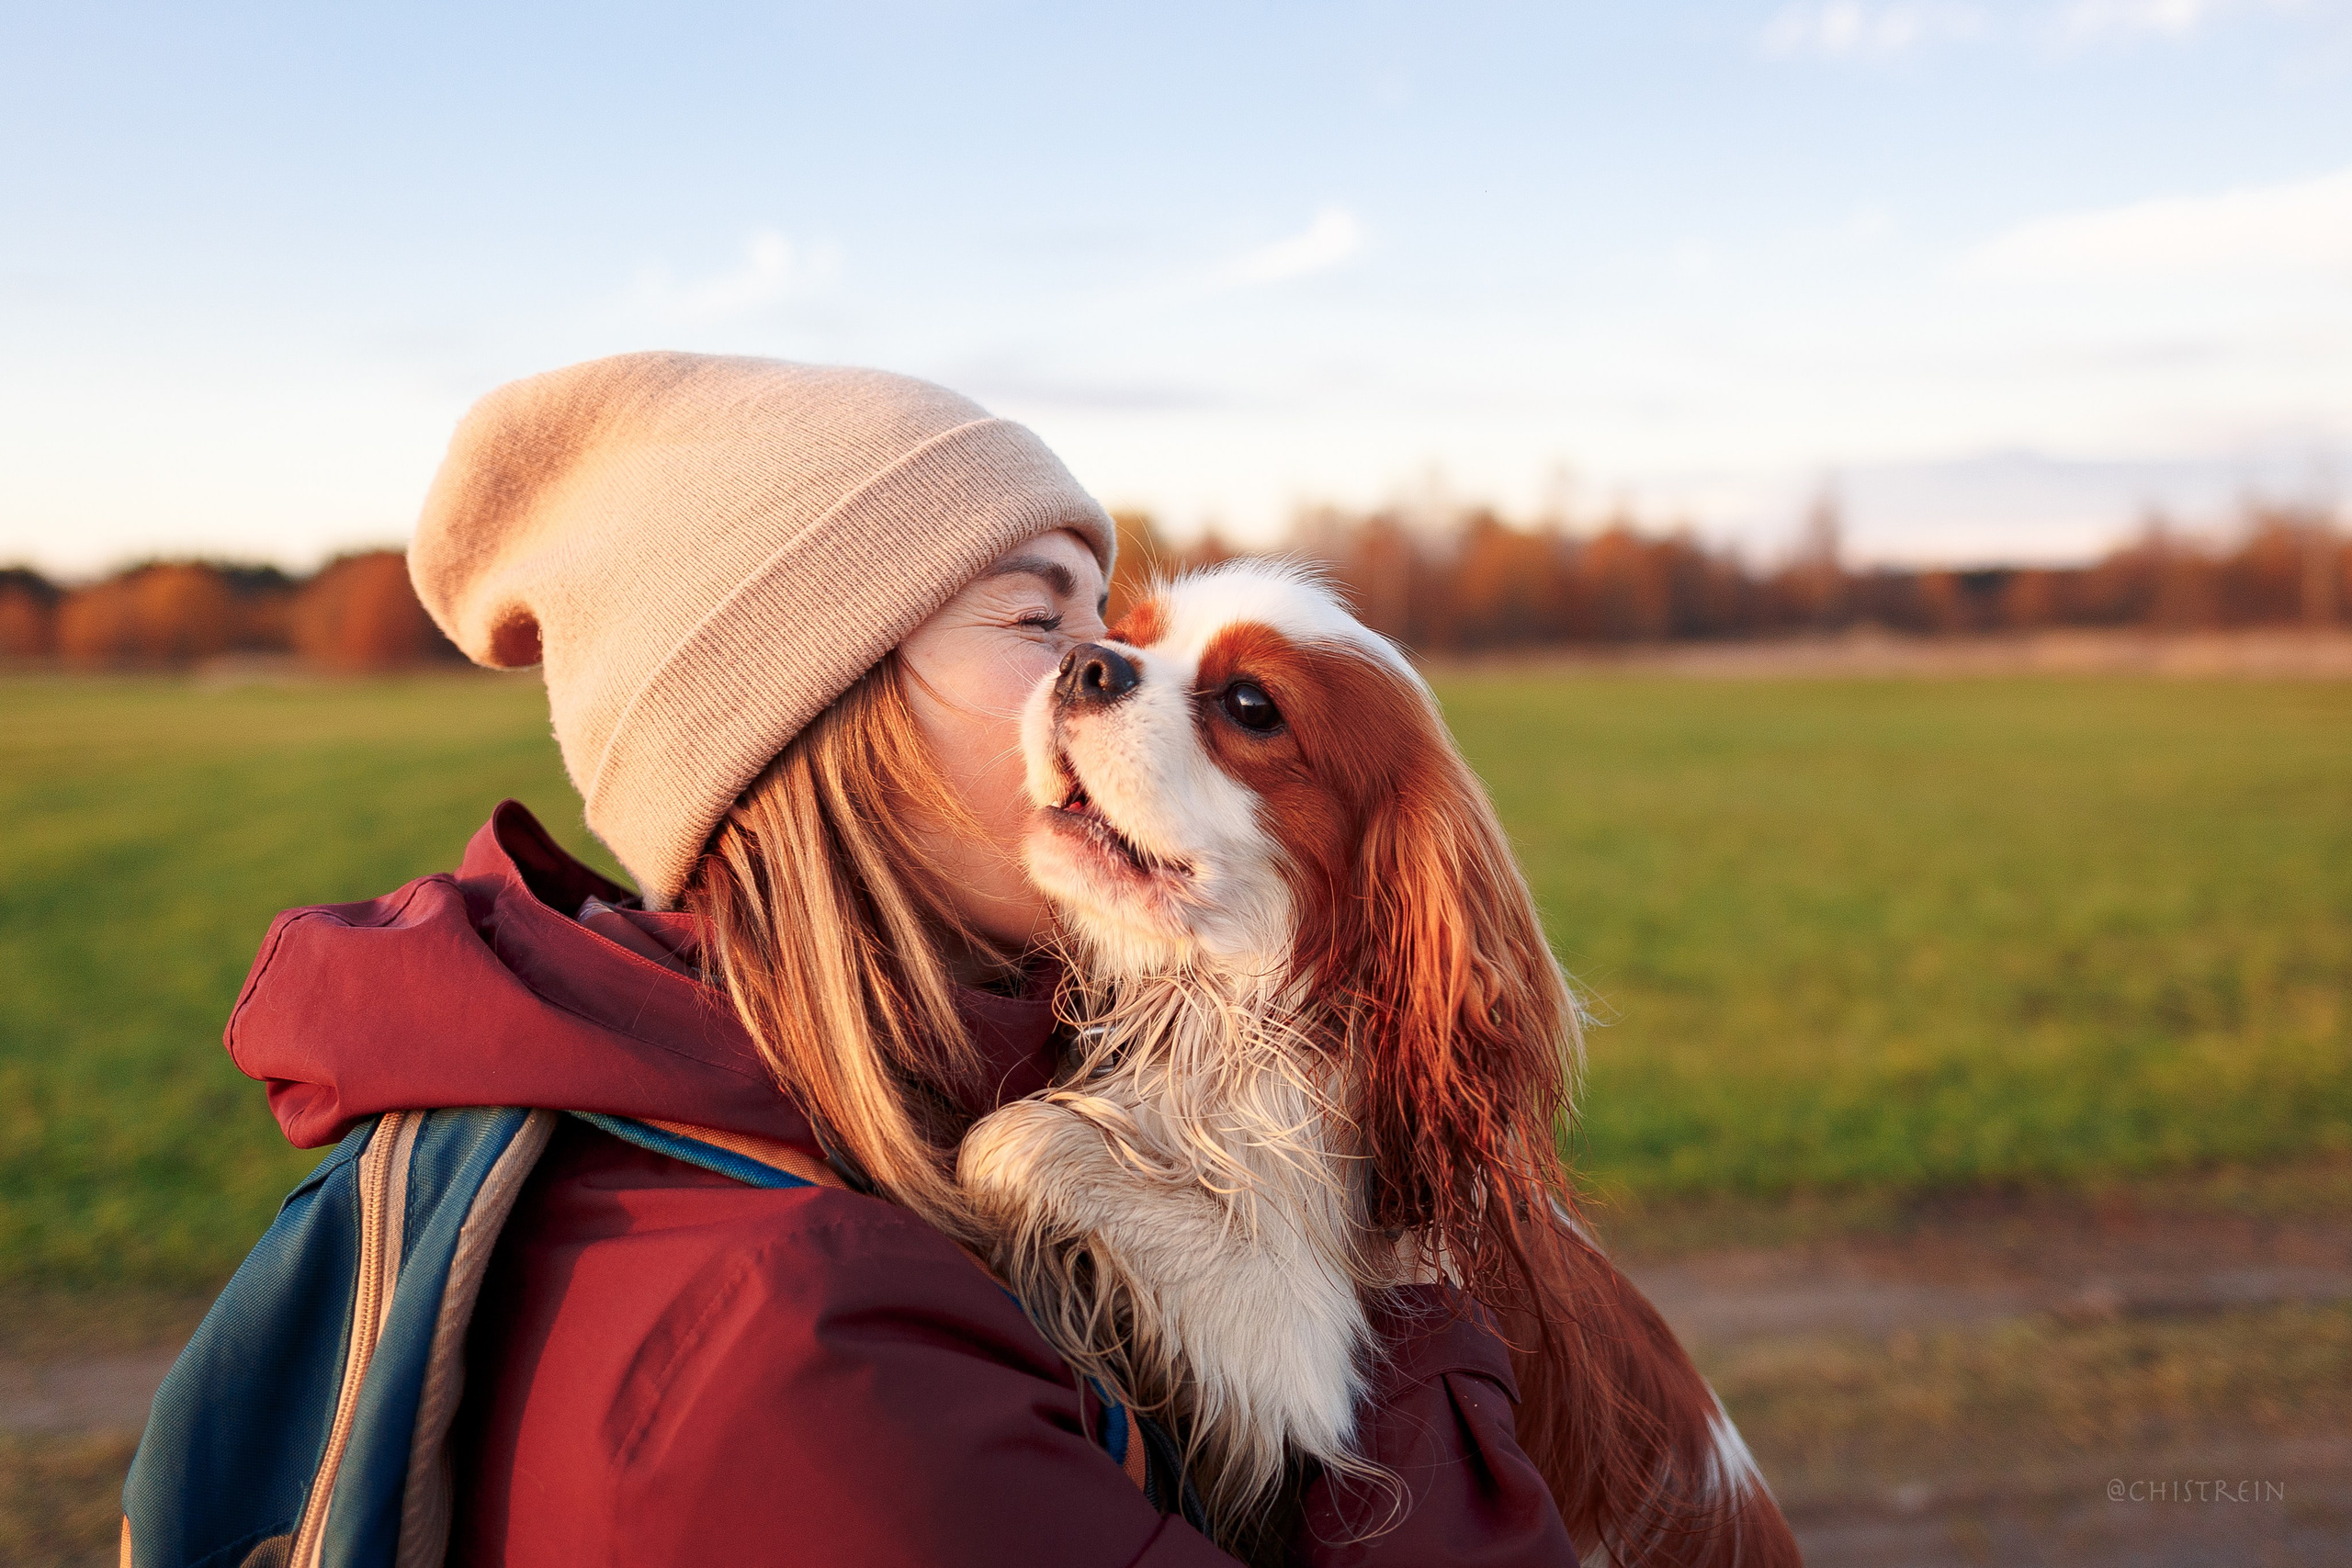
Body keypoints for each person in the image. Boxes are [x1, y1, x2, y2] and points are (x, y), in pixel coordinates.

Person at [227, 353, 1577, 1564]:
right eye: (1042, 622)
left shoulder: (894, 1103)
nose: (1095, 665)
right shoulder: (807, 1351)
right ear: (818, 708)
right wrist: (1401, 1285)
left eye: (1103, 622)